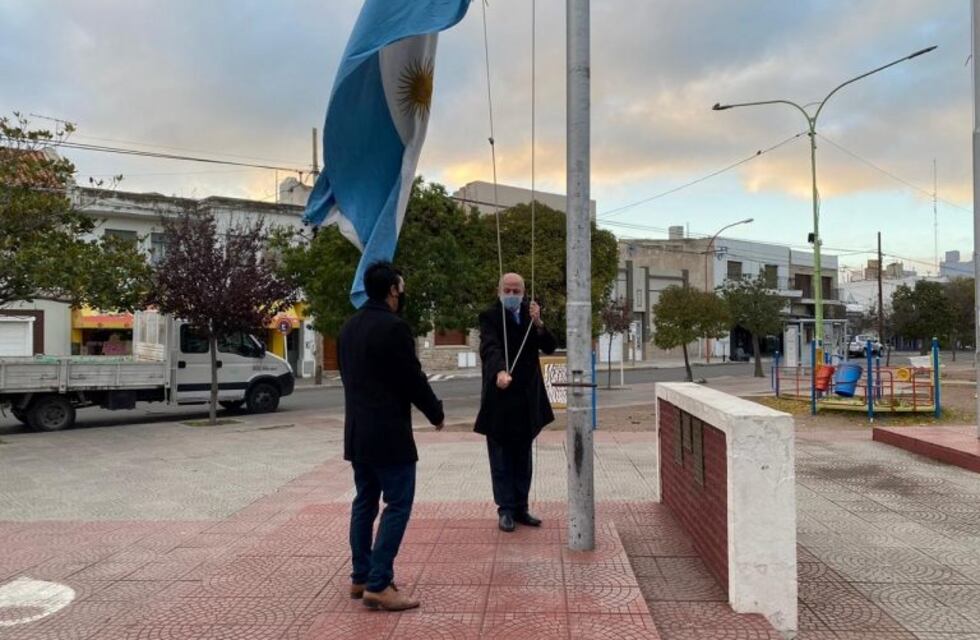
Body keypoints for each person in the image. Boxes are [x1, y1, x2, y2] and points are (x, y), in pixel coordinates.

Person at [338, 261, 445, 611]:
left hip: (358, 434)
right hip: (389, 435)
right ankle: (379, 583)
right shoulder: (395, 328)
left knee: (364, 502)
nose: (404, 293)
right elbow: (411, 379)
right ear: (393, 290)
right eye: (402, 286)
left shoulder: (348, 328)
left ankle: (360, 576)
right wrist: (435, 412)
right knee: (397, 504)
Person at [475, 272, 557, 532]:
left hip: (526, 398)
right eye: (507, 290)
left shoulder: (530, 314)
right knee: (501, 457)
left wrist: (539, 323)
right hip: (500, 397)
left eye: (516, 291)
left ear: (523, 292)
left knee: (523, 456)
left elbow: (550, 347)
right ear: (498, 291)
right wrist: (499, 370)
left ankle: (521, 507)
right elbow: (490, 347)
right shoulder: (489, 316)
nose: (512, 295)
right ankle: (505, 509)